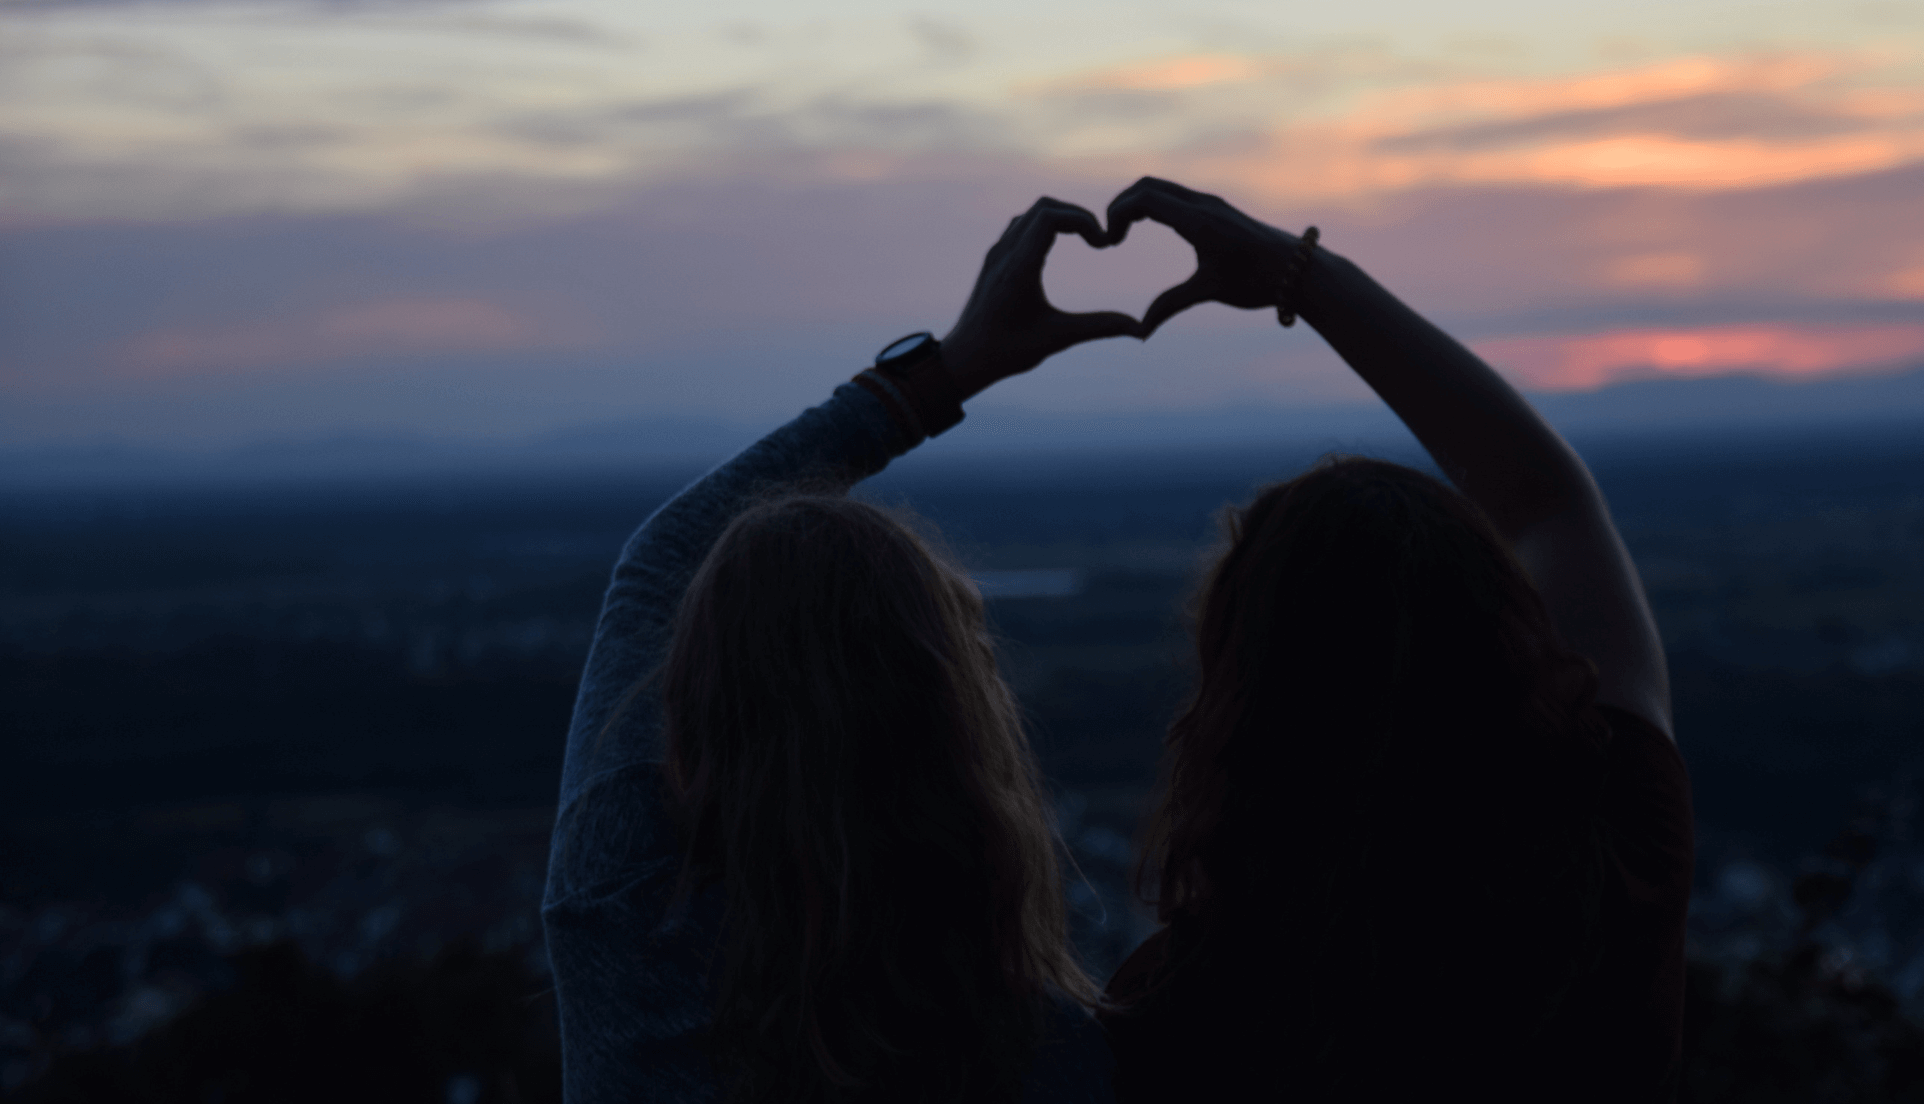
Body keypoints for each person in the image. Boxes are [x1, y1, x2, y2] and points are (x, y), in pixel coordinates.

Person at [1094, 178, 1694, 1102]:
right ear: (1506, 634)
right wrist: (1303, 275)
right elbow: (1548, 498)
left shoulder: (1180, 1010)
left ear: (1247, 699)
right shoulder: (1619, 858)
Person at [540, 198, 1144, 1103]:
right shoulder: (1050, 1058)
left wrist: (954, 367)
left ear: (694, 707)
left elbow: (664, 558)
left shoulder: (620, 916)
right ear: (953, 732)